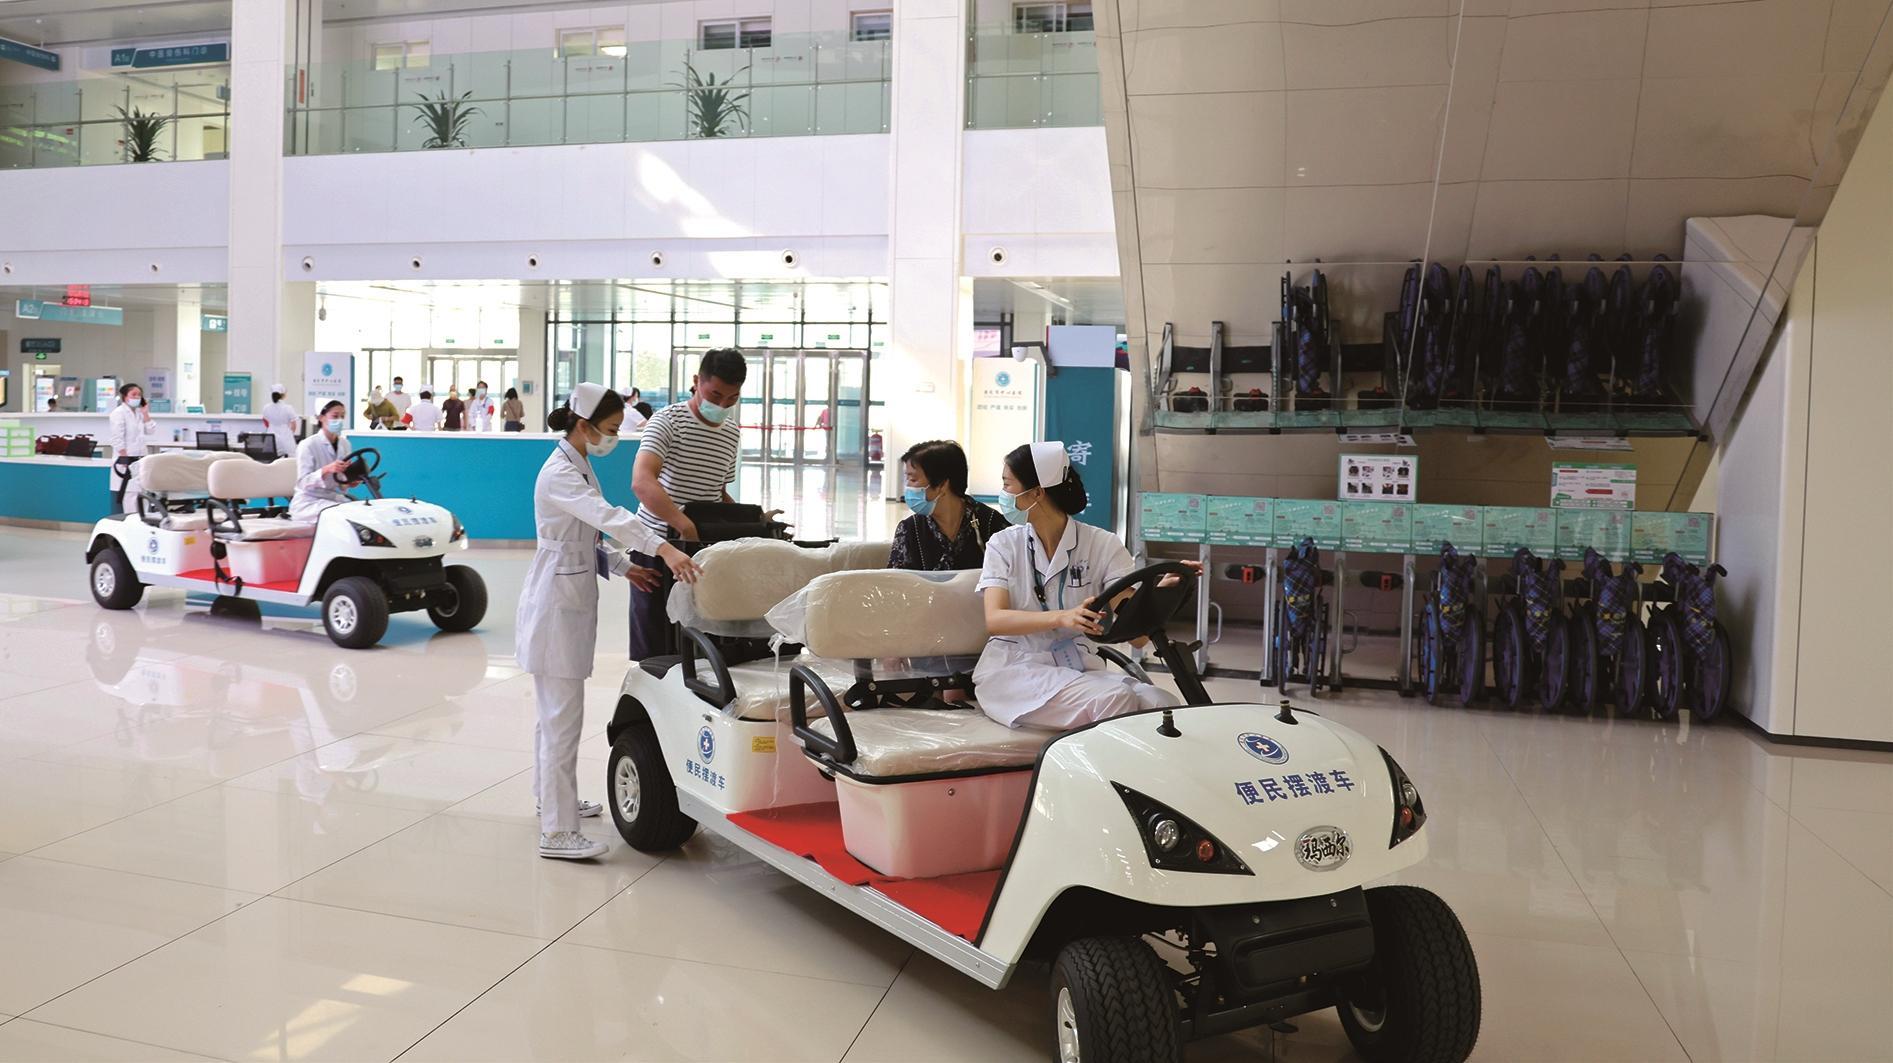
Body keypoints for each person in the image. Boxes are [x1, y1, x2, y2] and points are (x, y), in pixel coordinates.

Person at [518, 383, 701, 860]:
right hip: (555, 611)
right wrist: (663, 547)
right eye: (612, 429)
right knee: (562, 721)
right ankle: (558, 832)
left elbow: (580, 539)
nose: (614, 438)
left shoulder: (576, 462)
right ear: (584, 425)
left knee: (552, 717)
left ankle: (549, 800)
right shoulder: (560, 472)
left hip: (564, 598)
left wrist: (623, 566)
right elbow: (605, 517)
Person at [973, 442, 1179, 730]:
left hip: (1077, 667)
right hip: (1015, 668)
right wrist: (1062, 617)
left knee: (1163, 703)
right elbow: (995, 620)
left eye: (1008, 485)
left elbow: (1138, 638)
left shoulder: (1103, 544)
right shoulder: (1003, 544)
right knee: (1115, 699)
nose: (1003, 494)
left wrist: (1158, 598)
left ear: (1037, 493)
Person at [628, 348, 747, 659]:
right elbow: (642, 481)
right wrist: (683, 524)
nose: (721, 405)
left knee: (697, 643)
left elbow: (717, 492)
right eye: (715, 394)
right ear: (696, 381)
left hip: (700, 551)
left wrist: (751, 520)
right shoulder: (667, 421)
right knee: (656, 643)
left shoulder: (731, 433)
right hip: (657, 548)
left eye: (731, 399)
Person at [889, 440, 1007, 571]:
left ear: (942, 484)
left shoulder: (992, 524)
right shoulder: (910, 529)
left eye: (913, 479)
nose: (907, 486)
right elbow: (896, 581)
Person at [291, 401, 356, 522]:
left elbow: (341, 483)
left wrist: (349, 481)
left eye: (342, 416)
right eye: (335, 416)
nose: (339, 420)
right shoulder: (308, 444)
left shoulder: (345, 444)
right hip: (308, 502)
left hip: (332, 498)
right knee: (343, 515)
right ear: (321, 417)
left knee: (359, 512)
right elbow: (302, 483)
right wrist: (326, 470)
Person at [106, 382, 159, 513]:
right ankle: (132, 521)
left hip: (140, 458)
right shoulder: (119, 413)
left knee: (143, 493)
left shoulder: (139, 413)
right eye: (133, 394)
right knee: (130, 495)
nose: (137, 397)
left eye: (139, 395)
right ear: (125, 396)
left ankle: (144, 521)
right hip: (126, 461)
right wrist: (124, 457)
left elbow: (151, 430)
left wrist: (146, 414)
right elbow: (117, 438)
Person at [259, 385, 299, 459]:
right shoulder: (288, 408)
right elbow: (293, 425)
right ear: (283, 395)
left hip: (270, 440)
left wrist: (272, 426)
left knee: (269, 459)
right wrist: (290, 434)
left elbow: (265, 422)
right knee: (288, 460)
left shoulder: (266, 408)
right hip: (286, 439)